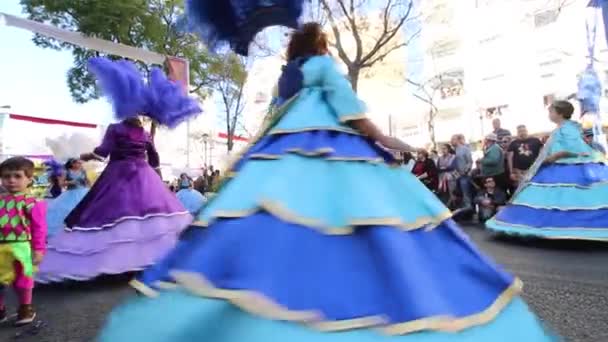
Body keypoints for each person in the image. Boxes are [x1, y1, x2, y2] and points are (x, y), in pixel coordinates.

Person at [99, 22, 553, 342]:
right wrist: (395, 144)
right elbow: (356, 117)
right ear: (321, 46)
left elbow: (274, 118)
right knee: (368, 227)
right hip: (338, 154)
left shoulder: (286, 79)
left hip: (282, 157)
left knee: (274, 223)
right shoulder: (323, 70)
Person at [36, 57, 201, 283]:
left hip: (119, 174)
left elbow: (102, 152)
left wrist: (85, 155)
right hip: (144, 176)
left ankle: (118, 262)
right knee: (150, 217)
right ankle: (146, 259)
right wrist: (157, 177)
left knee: (111, 214)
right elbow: (154, 157)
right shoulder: (144, 134)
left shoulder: (115, 129)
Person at [486, 100, 608, 241]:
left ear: (560, 113)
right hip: (557, 165)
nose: (549, 114)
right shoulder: (562, 128)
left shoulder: (567, 128)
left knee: (570, 198)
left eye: (551, 111)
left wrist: (554, 157)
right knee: (559, 199)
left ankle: (570, 227)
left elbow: (573, 148)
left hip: (566, 166)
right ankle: (559, 226)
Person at [0, 157, 47, 326]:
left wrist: (38, 249)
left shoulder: (33, 202)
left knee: (23, 280)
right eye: (6, 176)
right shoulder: (1, 200)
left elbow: (39, 228)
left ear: (29, 179)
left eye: (17, 176)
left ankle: (25, 308)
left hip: (21, 246)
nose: (11, 180)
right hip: (1, 246)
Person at [45, 158, 90, 238]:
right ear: (72, 164)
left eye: (80, 163)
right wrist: (70, 182)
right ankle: (68, 228)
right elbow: (61, 184)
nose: (79, 164)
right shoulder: (66, 172)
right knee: (68, 210)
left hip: (84, 192)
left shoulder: (83, 171)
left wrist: (91, 189)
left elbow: (87, 181)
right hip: (71, 193)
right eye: (77, 163)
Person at [451, 134, 474, 212]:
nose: (451, 141)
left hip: (464, 175)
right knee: (458, 193)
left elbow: (470, 161)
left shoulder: (465, 149)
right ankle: (461, 209)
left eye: (453, 139)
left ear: (457, 140)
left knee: (466, 192)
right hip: (456, 176)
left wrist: (465, 170)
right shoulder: (453, 150)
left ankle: (469, 209)